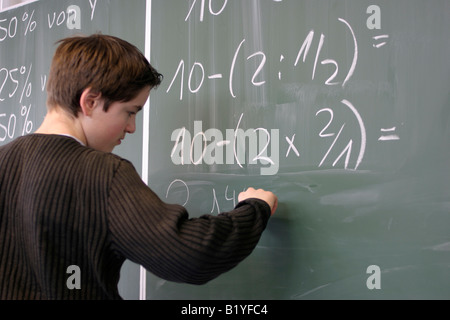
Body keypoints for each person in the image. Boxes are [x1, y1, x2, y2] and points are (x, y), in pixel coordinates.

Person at [0, 34, 278, 300]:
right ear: (90, 101)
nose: (131, 128)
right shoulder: (103, 173)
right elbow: (188, 255)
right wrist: (254, 209)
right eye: (130, 112)